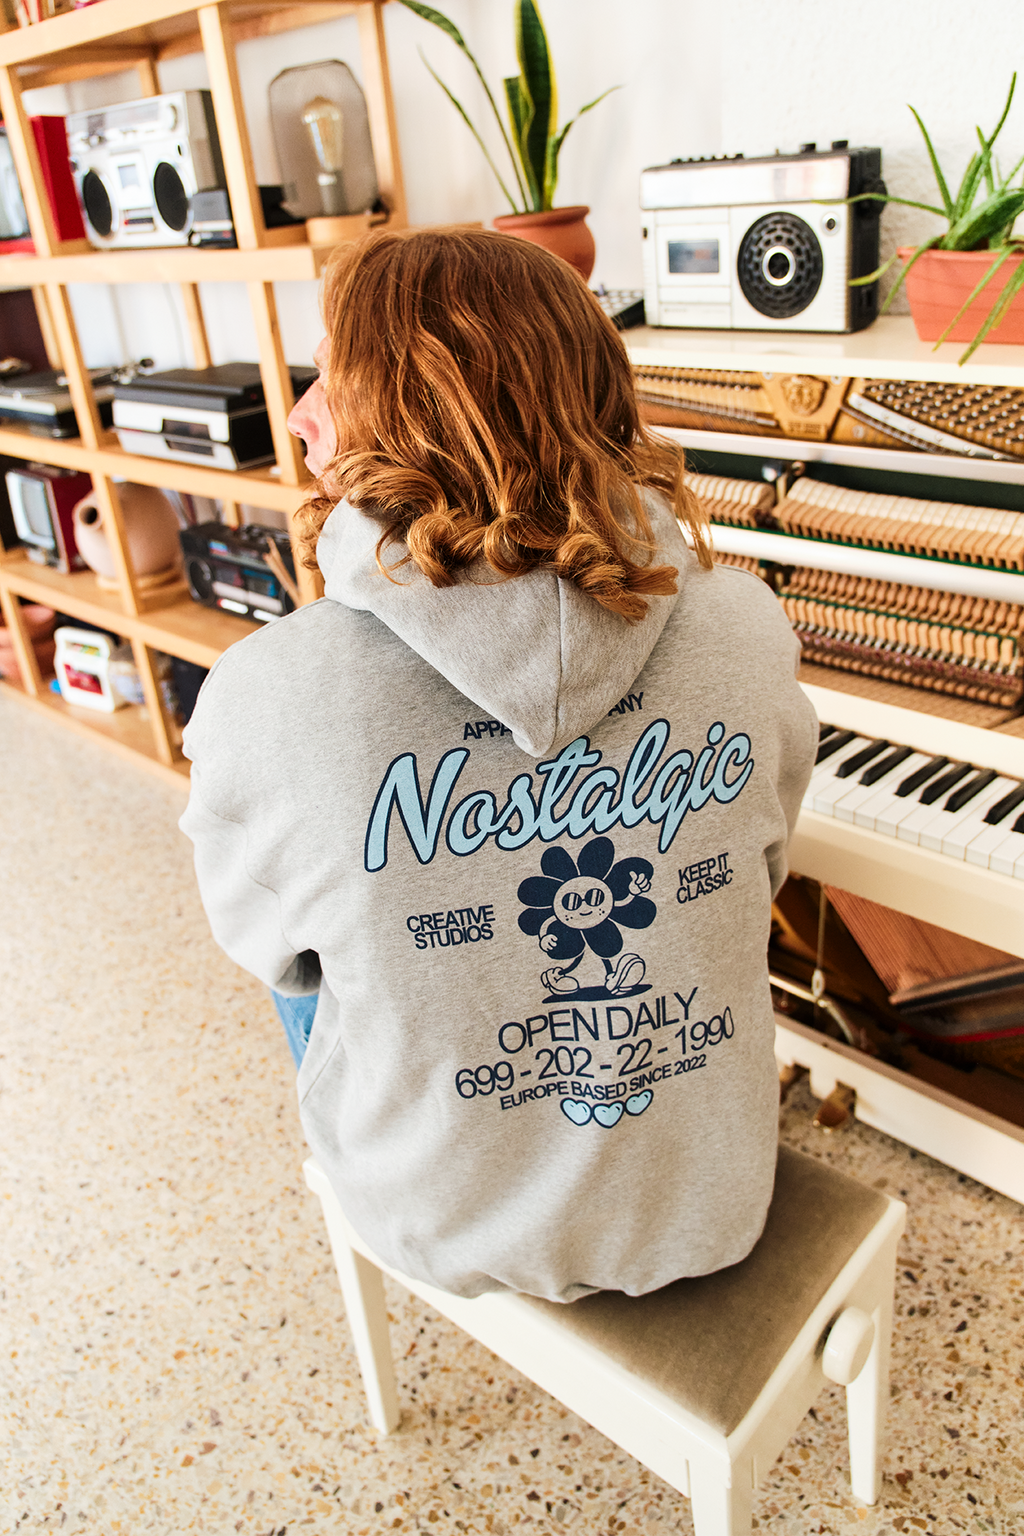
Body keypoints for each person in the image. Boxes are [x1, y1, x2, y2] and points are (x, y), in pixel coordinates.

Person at [179, 227, 817, 1304]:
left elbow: (267, 950)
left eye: (331, 379)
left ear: (411, 412)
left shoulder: (259, 694)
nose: (297, 414)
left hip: (432, 1226)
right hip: (710, 1199)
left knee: (313, 952)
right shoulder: (749, 624)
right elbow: (767, 868)